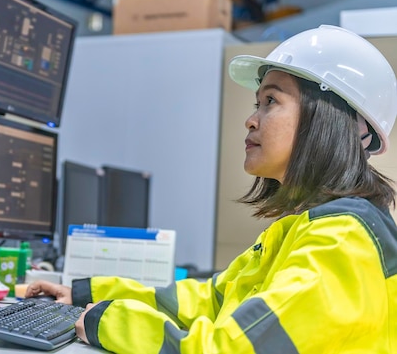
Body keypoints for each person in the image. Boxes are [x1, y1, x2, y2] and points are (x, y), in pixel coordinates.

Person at [26, 25, 397, 353]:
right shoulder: (305, 228)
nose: (251, 119)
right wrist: (87, 294)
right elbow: (211, 300)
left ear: (334, 121)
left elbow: (229, 349)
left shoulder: (341, 243)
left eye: (271, 101)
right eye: (257, 103)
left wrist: (111, 323)